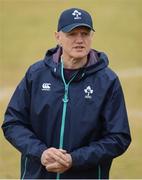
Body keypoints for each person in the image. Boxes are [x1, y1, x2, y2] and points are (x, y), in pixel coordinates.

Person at [2, 8, 131, 179]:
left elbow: (118, 137)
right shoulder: (36, 74)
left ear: (91, 37)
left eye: (85, 33)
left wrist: (74, 159)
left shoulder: (107, 81)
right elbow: (13, 123)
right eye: (72, 34)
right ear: (58, 37)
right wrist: (41, 152)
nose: (79, 40)